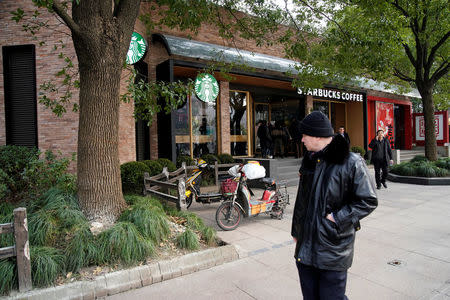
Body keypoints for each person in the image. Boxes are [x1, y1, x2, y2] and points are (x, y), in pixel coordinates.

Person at [291, 111, 378, 300]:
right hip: (306, 249)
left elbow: (368, 200)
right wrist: (297, 232)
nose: (302, 140)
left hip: (333, 250)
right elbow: (301, 202)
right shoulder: (309, 160)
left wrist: (337, 218)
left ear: (317, 135)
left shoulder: (352, 162)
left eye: (305, 135)